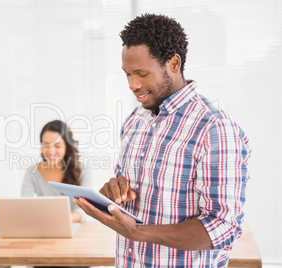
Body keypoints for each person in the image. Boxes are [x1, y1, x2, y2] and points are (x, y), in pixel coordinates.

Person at [74, 13, 251, 267]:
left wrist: (138, 232)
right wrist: (114, 192)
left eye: (141, 73)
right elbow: (130, 191)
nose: (132, 85)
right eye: (127, 74)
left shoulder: (214, 129)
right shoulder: (136, 119)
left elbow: (224, 228)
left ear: (174, 63)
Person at [21, 120, 91, 223]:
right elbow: (25, 206)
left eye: (57, 146)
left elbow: (86, 210)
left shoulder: (82, 169)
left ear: (67, 147)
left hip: (73, 227)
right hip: (43, 227)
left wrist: (63, 220)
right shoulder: (32, 171)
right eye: (46, 145)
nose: (51, 151)